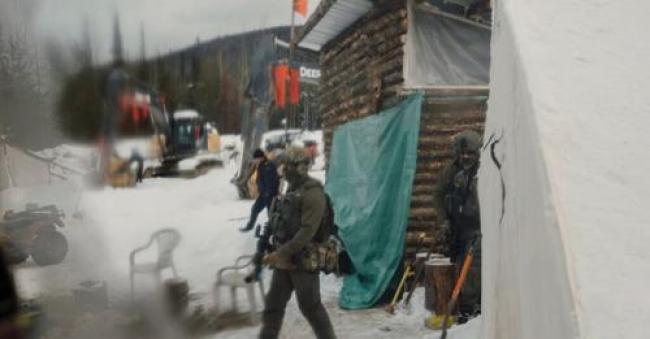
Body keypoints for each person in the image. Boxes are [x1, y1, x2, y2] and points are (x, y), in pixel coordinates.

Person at [259, 147, 336, 339]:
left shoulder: (313, 194)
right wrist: (266, 241)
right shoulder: (291, 189)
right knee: (273, 305)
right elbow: (278, 217)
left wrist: (280, 253)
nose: (283, 171)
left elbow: (306, 233)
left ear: (299, 168)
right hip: (284, 259)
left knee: (311, 307)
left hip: (303, 260)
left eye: (287, 167)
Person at [433, 130, 482, 323]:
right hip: (457, 228)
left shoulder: (483, 171)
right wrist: (444, 221)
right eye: (463, 153)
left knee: (473, 269)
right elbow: (438, 195)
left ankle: (470, 309)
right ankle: (463, 306)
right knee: (460, 266)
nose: (466, 157)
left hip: (477, 228)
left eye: (470, 153)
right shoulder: (451, 171)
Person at [241, 149, 280, 232]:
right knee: (255, 209)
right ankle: (249, 226)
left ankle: (274, 231)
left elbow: (273, 181)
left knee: (271, 214)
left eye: (256, 158)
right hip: (263, 194)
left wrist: (269, 193)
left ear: (260, 157)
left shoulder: (269, 166)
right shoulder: (261, 164)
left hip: (270, 195)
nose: (255, 160)